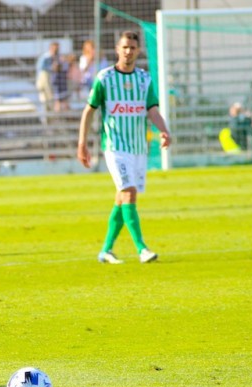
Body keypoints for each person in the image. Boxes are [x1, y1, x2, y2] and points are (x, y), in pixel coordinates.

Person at [77, 31, 171, 265]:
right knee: (128, 191)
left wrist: (164, 130)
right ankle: (142, 249)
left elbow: (152, 110)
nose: (129, 51)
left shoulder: (144, 79)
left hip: (139, 148)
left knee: (124, 198)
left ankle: (106, 250)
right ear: (118, 49)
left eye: (133, 48)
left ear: (138, 51)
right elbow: (89, 110)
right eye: (125, 47)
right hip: (115, 147)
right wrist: (82, 143)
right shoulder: (105, 78)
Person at [36, 42, 59, 112]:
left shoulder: (52, 57)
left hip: (47, 79)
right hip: (44, 79)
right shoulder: (46, 57)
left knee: (48, 99)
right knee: (46, 99)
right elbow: (40, 67)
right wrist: (51, 68)